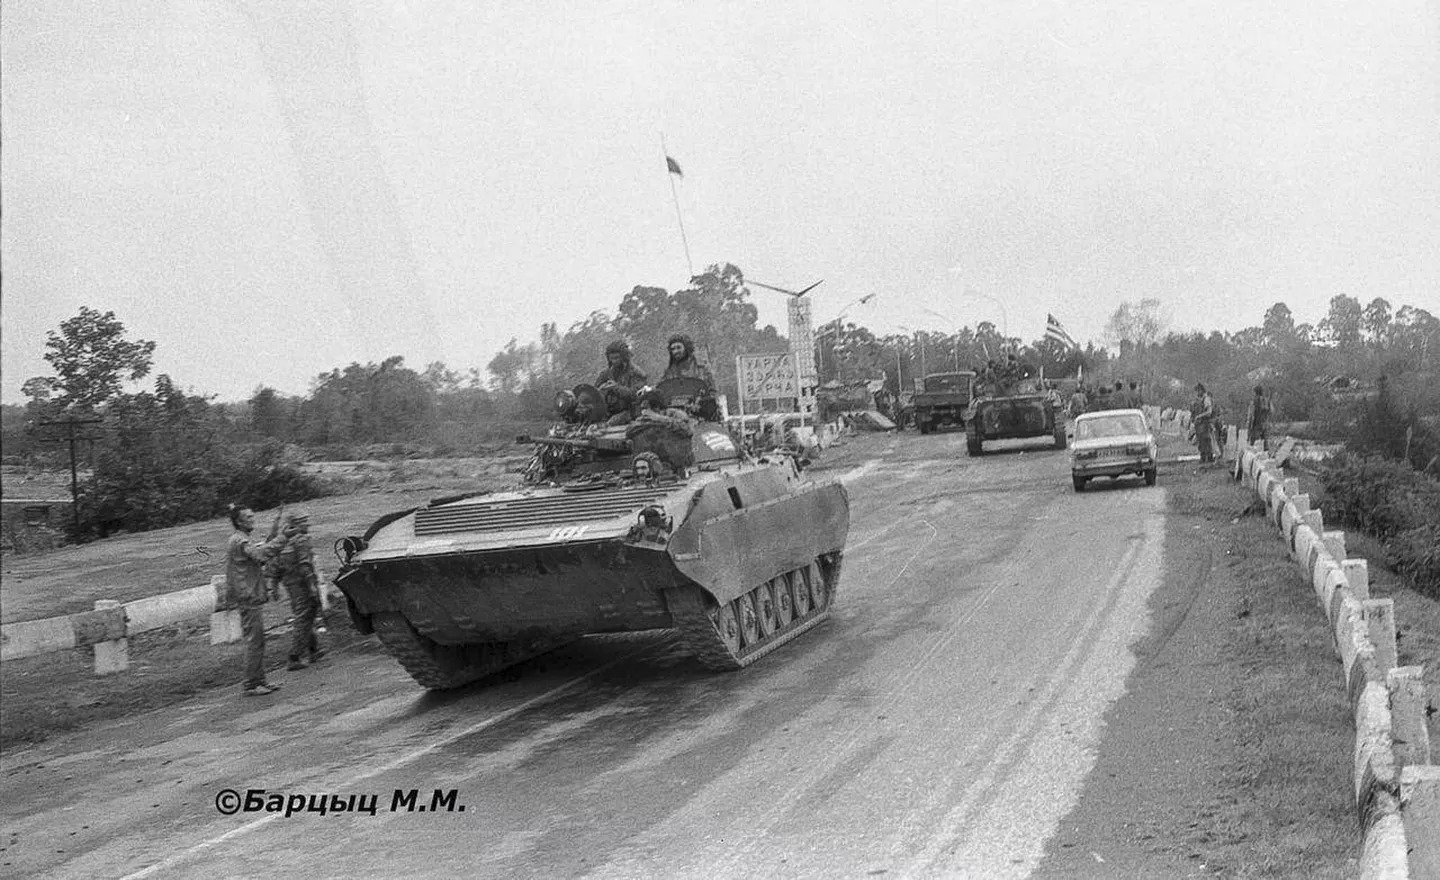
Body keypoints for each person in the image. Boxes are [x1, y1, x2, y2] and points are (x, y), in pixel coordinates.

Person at [225, 504, 286, 696]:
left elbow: (264, 548)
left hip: (250, 597)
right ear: (239, 521)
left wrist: (276, 526)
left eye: (253, 516)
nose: (253, 520)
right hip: (248, 598)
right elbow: (262, 554)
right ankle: (251, 685)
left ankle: (259, 681)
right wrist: (286, 537)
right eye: (248, 518)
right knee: (255, 642)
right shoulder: (240, 541)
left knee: (258, 641)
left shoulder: (242, 540)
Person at [272, 512, 325, 671]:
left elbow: (275, 565)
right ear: (296, 524)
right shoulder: (301, 540)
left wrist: (274, 585)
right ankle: (294, 656)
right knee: (304, 617)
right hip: (303, 584)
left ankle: (313, 649)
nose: (307, 525)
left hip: (291, 585)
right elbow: (304, 565)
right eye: (304, 522)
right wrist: (312, 586)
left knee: (305, 616)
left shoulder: (282, 541)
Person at [660, 333, 720, 419]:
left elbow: (712, 391)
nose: (675, 351)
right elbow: (662, 390)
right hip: (673, 415)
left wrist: (705, 405)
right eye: (672, 349)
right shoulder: (668, 371)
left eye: (678, 347)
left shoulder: (701, 368)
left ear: (686, 348)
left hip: (700, 414)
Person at [594, 340, 649, 425]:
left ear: (624, 357)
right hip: (609, 411)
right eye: (611, 358)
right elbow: (594, 391)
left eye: (616, 358)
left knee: (611, 423)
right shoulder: (606, 373)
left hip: (630, 412)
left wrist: (616, 387)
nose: (614, 361)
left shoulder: (636, 373)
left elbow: (636, 395)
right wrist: (600, 390)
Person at [1191, 382, 1216, 464]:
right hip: (1199, 425)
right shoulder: (1200, 400)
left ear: (1201, 390)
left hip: (1205, 423)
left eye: (1198, 391)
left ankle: (1208, 458)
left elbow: (1209, 412)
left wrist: (1199, 416)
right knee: (1201, 442)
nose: (1197, 394)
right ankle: (1204, 457)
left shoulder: (1206, 399)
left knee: (1206, 441)